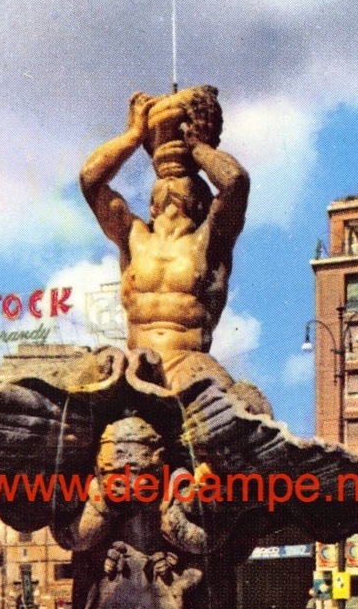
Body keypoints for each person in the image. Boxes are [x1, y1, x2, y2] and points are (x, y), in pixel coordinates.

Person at [79, 87, 269, 413]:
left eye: (182, 186)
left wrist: (198, 146)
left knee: (230, 413)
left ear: (200, 201)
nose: (169, 187)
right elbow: (90, 180)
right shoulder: (134, 237)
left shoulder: (210, 241)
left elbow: (235, 181)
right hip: (136, 363)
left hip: (189, 363)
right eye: (162, 187)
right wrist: (134, 136)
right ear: (152, 205)